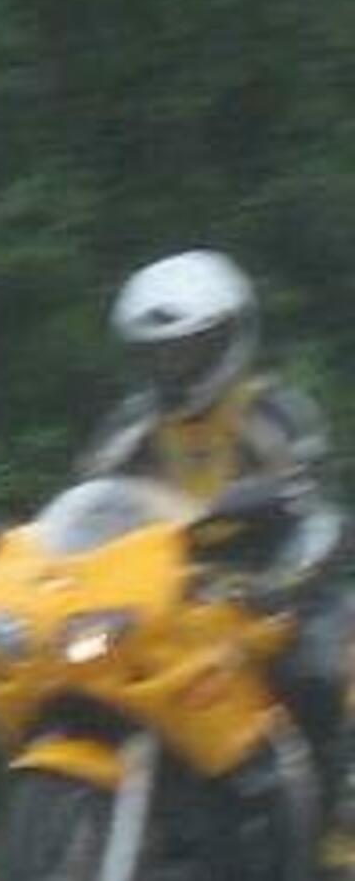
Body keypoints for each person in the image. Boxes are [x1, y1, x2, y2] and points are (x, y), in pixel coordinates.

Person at [80, 249, 349, 816]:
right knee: (88, 663)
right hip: (164, 601)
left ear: (231, 339)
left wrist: (280, 584)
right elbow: (86, 501)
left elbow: (316, 510)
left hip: (275, 594)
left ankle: (336, 834)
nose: (172, 366)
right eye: (157, 355)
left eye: (187, 350)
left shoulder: (274, 412)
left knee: (316, 675)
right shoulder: (132, 426)